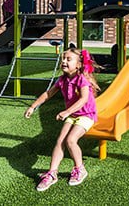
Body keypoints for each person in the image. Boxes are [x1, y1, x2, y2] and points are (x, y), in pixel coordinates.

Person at [25, 48, 100, 191]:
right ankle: (52, 173)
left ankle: (80, 169)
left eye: (68, 59)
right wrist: (33, 106)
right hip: (72, 115)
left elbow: (84, 99)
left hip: (86, 114)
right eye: (63, 59)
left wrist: (67, 111)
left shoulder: (82, 80)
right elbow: (48, 94)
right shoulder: (62, 80)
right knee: (60, 141)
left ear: (78, 65)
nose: (64, 61)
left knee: (71, 140)